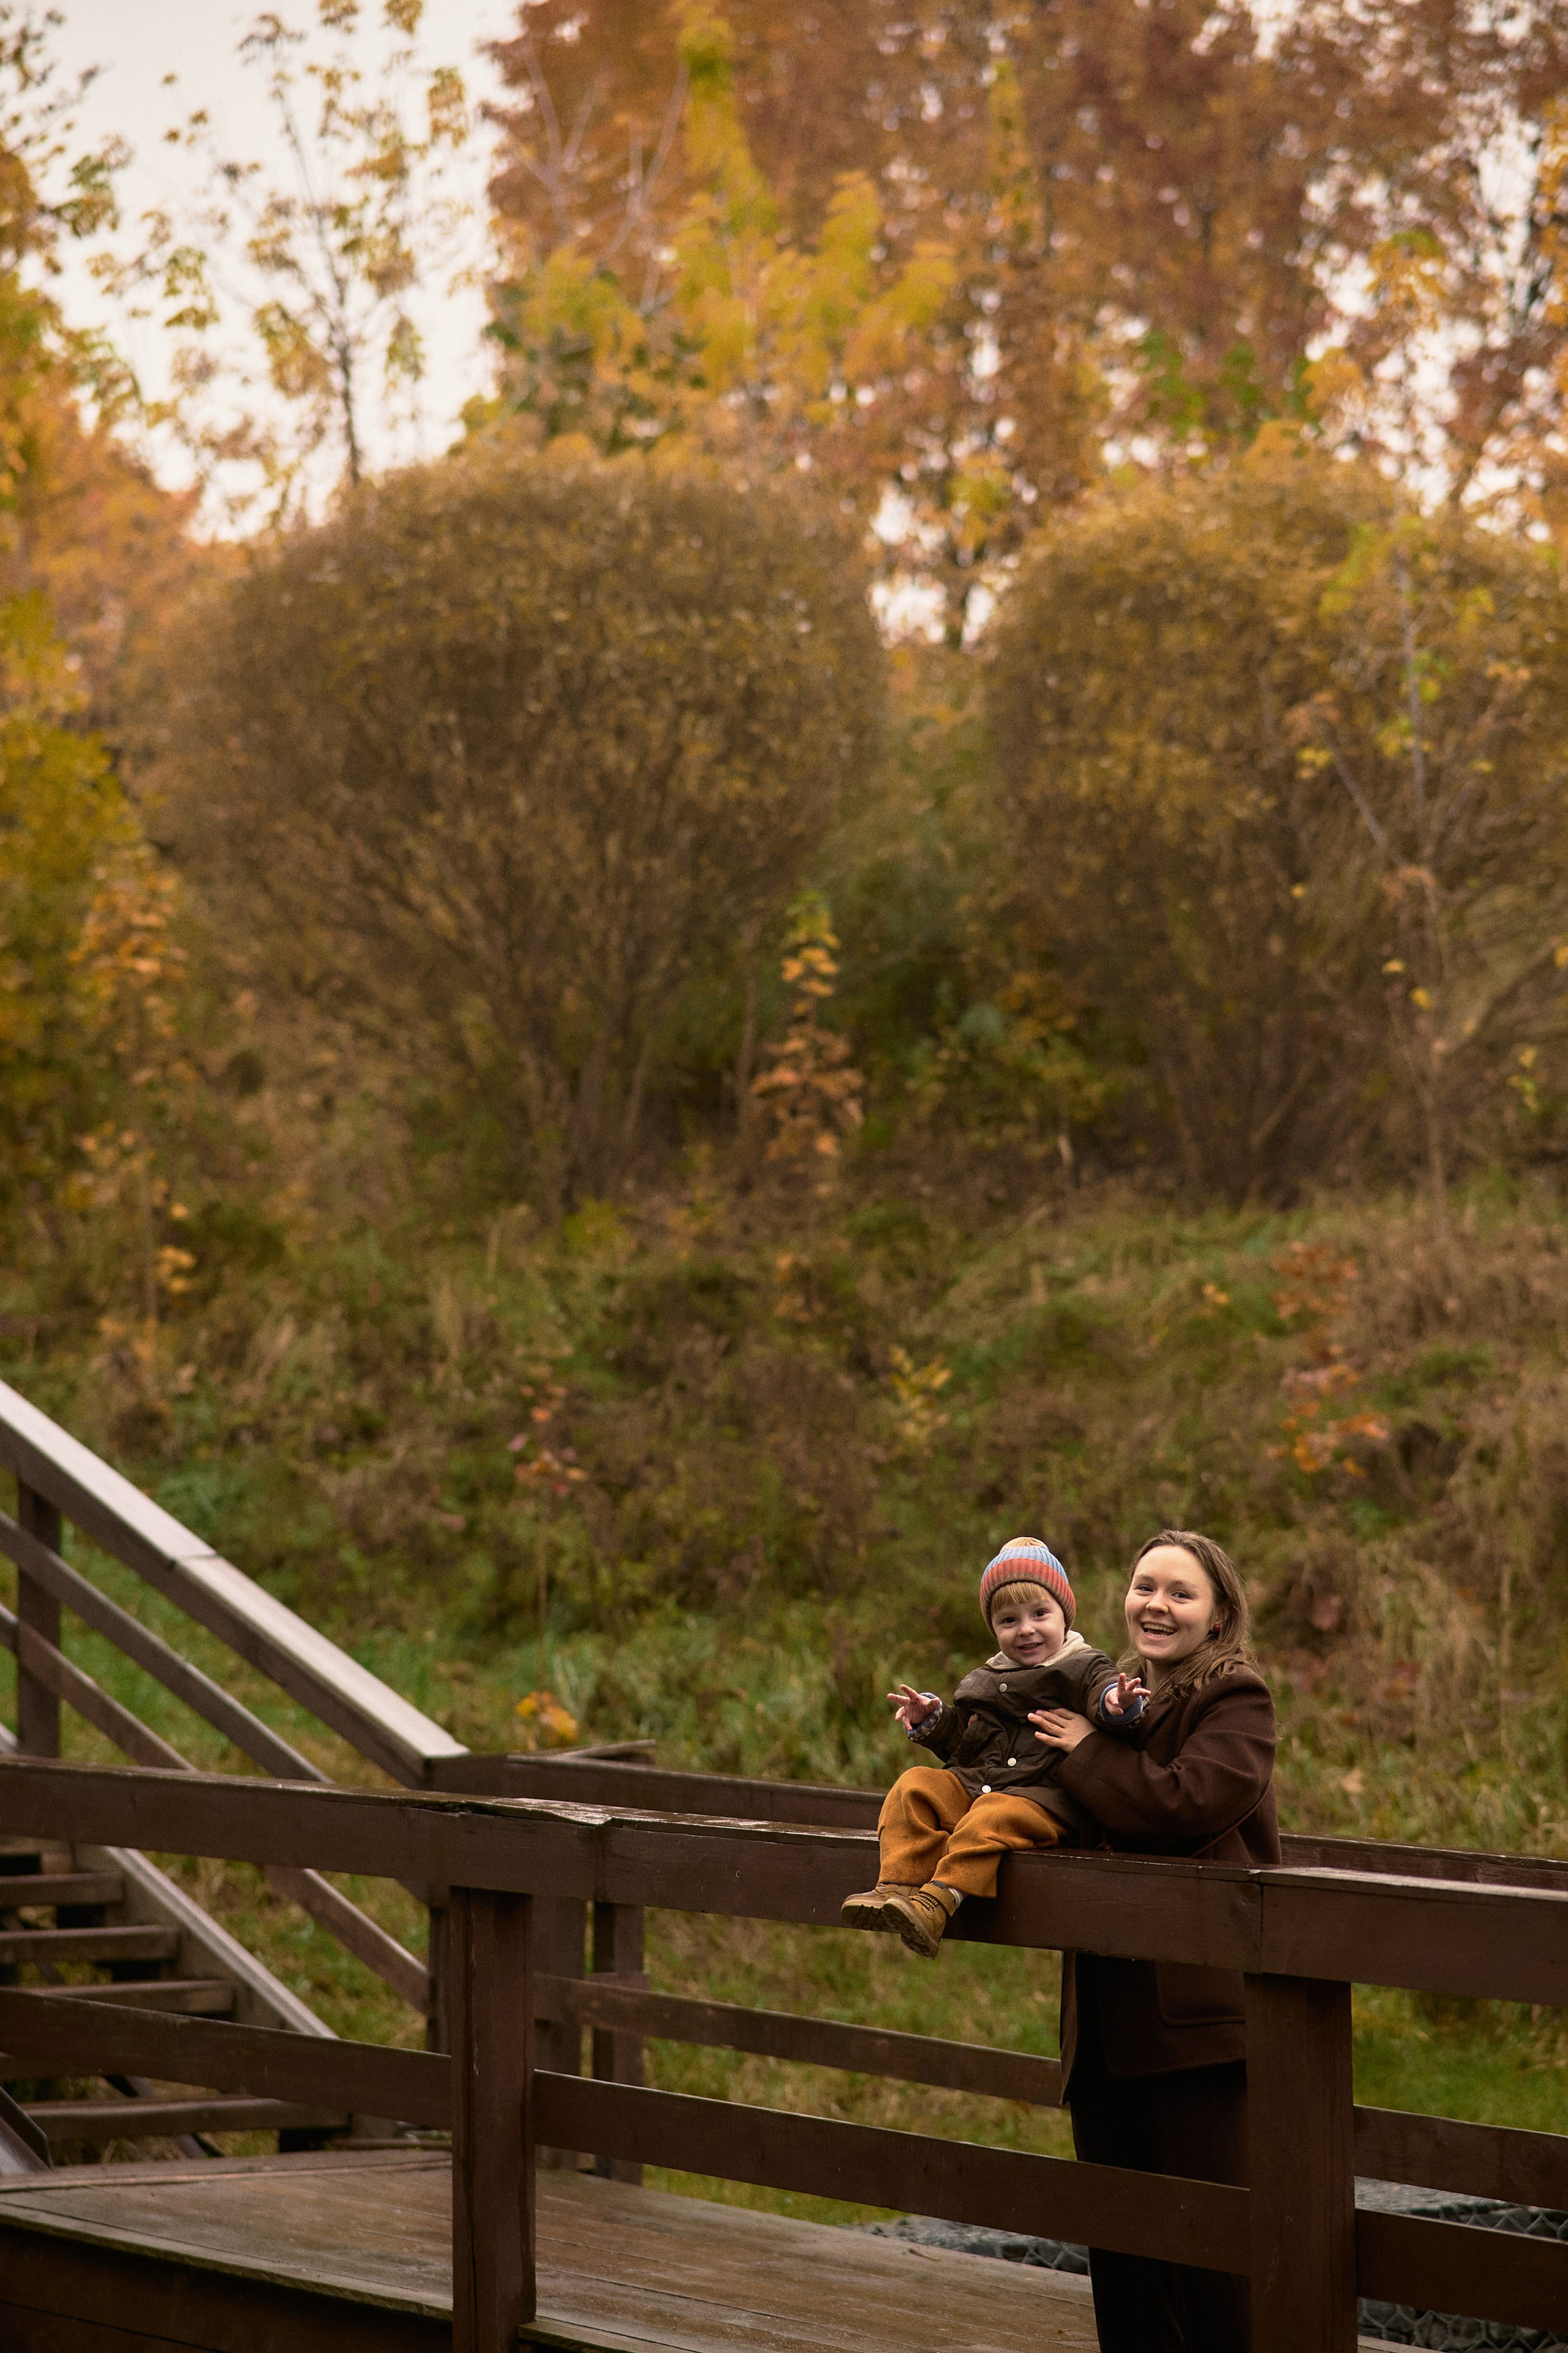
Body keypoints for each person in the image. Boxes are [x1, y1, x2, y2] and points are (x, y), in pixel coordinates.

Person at [1031, 1527, 1280, 2353]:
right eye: (1145, 1586)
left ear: (1218, 1616)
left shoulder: (1234, 1698)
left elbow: (1189, 1805)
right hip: (1104, 2017)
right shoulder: (1110, 1697)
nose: (1157, 1604)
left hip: (1192, 2026)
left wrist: (1088, 1754)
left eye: (1180, 1592)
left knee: (1211, 2266)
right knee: (1127, 2265)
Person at [840, 1535, 1146, 1958]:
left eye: (1040, 1614)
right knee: (915, 1786)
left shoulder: (1083, 1666)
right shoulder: (983, 1679)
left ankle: (939, 1902)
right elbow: (964, 1745)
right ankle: (897, 1885)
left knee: (992, 1814)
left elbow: (1103, 1696)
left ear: (1064, 1615)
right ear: (994, 1628)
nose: (1026, 1630)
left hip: (1045, 1802)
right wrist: (932, 1720)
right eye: (1008, 1621)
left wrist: (1117, 1703)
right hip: (977, 1785)